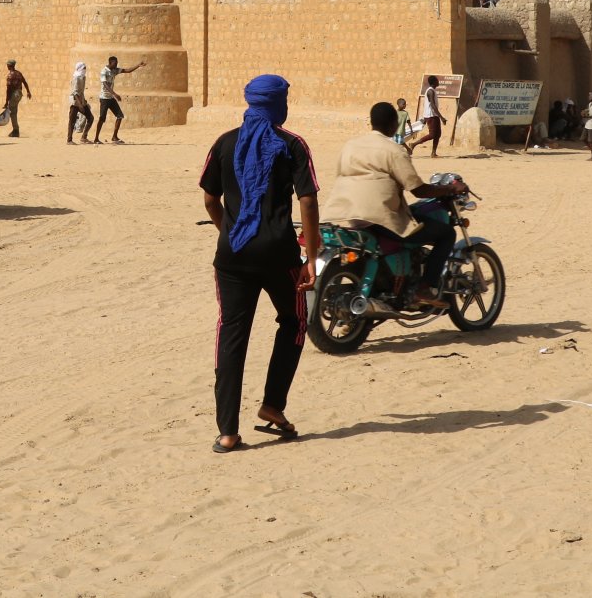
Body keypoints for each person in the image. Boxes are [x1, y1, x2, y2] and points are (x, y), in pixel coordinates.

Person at [200, 74, 319, 453]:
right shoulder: (292, 145)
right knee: (295, 321)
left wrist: (231, 231)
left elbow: (209, 200)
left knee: (231, 335)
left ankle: (227, 433)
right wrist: (311, 257)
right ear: (277, 104)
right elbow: (308, 200)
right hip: (279, 254)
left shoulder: (224, 142)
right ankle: (272, 404)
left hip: (232, 256)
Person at [323, 101, 467, 309]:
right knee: (446, 234)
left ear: (371, 122)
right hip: (378, 217)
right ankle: (424, 288)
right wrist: (449, 189)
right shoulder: (394, 149)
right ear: (393, 125)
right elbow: (417, 189)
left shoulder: (350, 146)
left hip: (340, 214)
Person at [96, 55, 145, 143]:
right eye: (115, 63)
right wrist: (115, 94)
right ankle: (96, 138)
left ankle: (114, 137)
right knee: (102, 118)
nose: (116, 65)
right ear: (110, 63)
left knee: (120, 116)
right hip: (104, 98)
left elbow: (127, 70)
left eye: (117, 63)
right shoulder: (104, 71)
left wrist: (138, 65)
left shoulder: (114, 70)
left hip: (111, 98)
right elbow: (105, 85)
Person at [405, 75, 447, 158]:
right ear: (434, 82)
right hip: (431, 116)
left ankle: (433, 153)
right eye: (437, 81)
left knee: (438, 134)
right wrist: (441, 117)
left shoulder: (432, 91)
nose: (438, 82)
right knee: (432, 135)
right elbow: (432, 105)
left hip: (433, 115)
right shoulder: (430, 91)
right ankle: (413, 144)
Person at [67, 62, 95, 144]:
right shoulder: (76, 78)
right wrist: (79, 105)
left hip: (82, 102)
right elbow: (75, 92)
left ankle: (84, 137)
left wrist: (84, 101)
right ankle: (69, 140)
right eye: (84, 68)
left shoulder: (83, 77)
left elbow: (81, 91)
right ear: (80, 68)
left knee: (90, 118)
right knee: (72, 121)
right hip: (75, 102)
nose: (85, 70)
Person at [3, 58, 31, 138]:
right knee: (14, 111)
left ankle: (16, 130)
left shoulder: (10, 75)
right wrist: (28, 92)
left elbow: (8, 90)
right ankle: (15, 130)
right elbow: (24, 82)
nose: (7, 66)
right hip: (19, 93)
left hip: (14, 94)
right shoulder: (19, 73)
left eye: (7, 65)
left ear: (9, 65)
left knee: (13, 113)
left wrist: (6, 101)